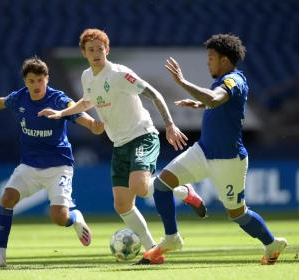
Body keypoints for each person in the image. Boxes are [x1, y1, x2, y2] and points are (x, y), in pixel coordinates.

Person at [38, 29, 206, 265]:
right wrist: (62, 113)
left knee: (139, 187)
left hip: (142, 136)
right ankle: (152, 250)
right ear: (84, 53)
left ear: (107, 50)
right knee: (122, 204)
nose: (96, 53)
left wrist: (169, 125)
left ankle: (183, 191)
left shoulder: (119, 74)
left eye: (100, 49)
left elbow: (154, 94)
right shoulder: (87, 76)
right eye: (91, 50)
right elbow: (87, 101)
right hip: (119, 144)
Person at [138, 34, 288, 265]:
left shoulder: (234, 80)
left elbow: (216, 99)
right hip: (202, 151)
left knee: (237, 213)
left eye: (211, 58)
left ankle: (272, 244)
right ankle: (171, 238)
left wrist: (182, 83)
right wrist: (199, 104)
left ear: (225, 60)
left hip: (228, 160)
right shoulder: (222, 81)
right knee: (161, 184)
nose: (208, 62)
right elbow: (216, 103)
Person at [0, 56, 105, 268]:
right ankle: (0, 257)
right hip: (29, 165)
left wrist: (92, 124)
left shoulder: (58, 99)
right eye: (31, 81)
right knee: (7, 197)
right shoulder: (19, 98)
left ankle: (75, 217)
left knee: (59, 217)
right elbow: (0, 101)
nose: (36, 85)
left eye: (39, 80)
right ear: (25, 82)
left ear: (47, 78)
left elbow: (76, 112)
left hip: (58, 166)